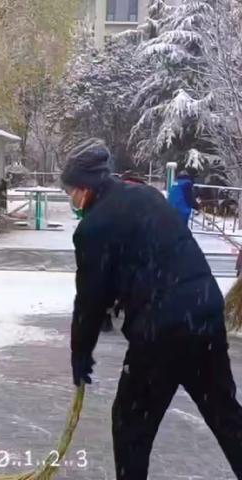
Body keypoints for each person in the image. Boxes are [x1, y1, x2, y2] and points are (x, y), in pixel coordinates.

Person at [62, 139, 242, 480]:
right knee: (225, 415)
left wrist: (80, 352)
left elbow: (89, 299)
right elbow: (145, 256)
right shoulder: (146, 197)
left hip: (161, 332)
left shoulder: (93, 228)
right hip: (204, 313)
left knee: (130, 423)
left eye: (71, 190)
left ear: (85, 189)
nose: (70, 198)